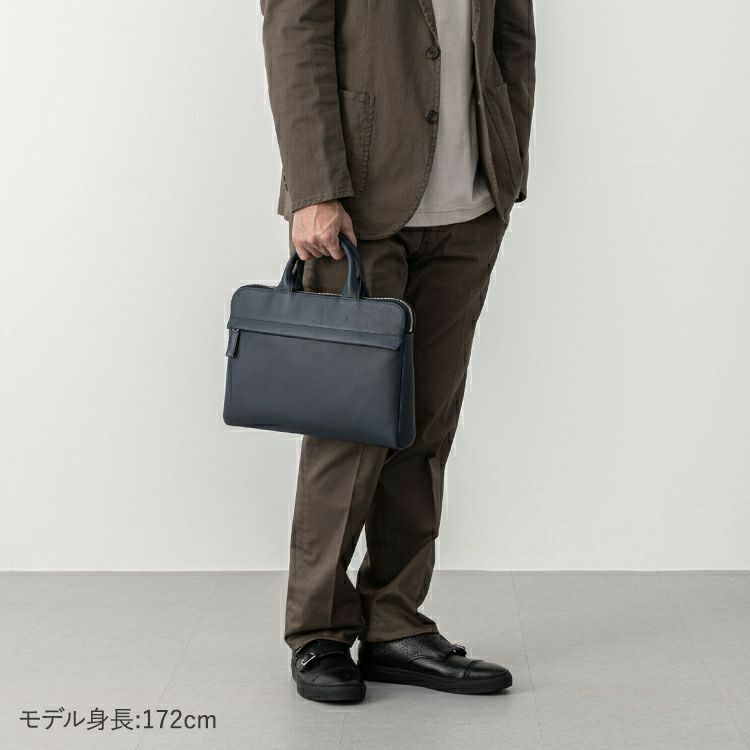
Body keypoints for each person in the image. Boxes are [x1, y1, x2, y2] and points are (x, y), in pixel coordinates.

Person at [260, 0, 535, 703]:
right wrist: (315, 188)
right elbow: (295, 37)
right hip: (356, 210)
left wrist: (508, 163)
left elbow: (512, 37)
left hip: (471, 208)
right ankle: (318, 630)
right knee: (348, 431)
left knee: (426, 429)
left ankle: (394, 624)